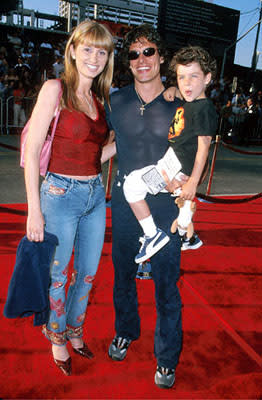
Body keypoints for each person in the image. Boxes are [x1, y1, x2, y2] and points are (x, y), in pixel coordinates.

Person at [24, 20, 114, 376]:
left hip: (94, 195)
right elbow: (31, 152)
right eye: (88, 48)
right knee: (59, 275)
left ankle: (76, 330)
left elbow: (95, 156)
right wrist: (34, 209)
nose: (94, 57)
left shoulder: (100, 99)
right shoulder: (55, 89)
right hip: (59, 195)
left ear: (108, 58)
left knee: (88, 273)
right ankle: (57, 336)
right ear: (73, 50)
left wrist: (135, 143)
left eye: (102, 51)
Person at [104, 24, 185, 389]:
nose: (142, 60)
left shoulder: (178, 101)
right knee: (122, 274)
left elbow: (195, 150)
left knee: (166, 282)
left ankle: (167, 357)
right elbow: (112, 143)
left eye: (149, 51)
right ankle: (126, 331)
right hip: (125, 201)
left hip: (165, 206)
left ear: (161, 56)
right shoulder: (116, 100)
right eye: (135, 54)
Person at [123, 45, 218, 262]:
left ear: (207, 78)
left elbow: (204, 147)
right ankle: (187, 235)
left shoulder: (204, 109)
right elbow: (184, 96)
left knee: (132, 186)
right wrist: (174, 90)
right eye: (181, 77)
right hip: (173, 163)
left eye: (194, 76)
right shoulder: (192, 102)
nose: (187, 83)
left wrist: (193, 182)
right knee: (178, 200)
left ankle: (151, 235)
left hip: (176, 170)